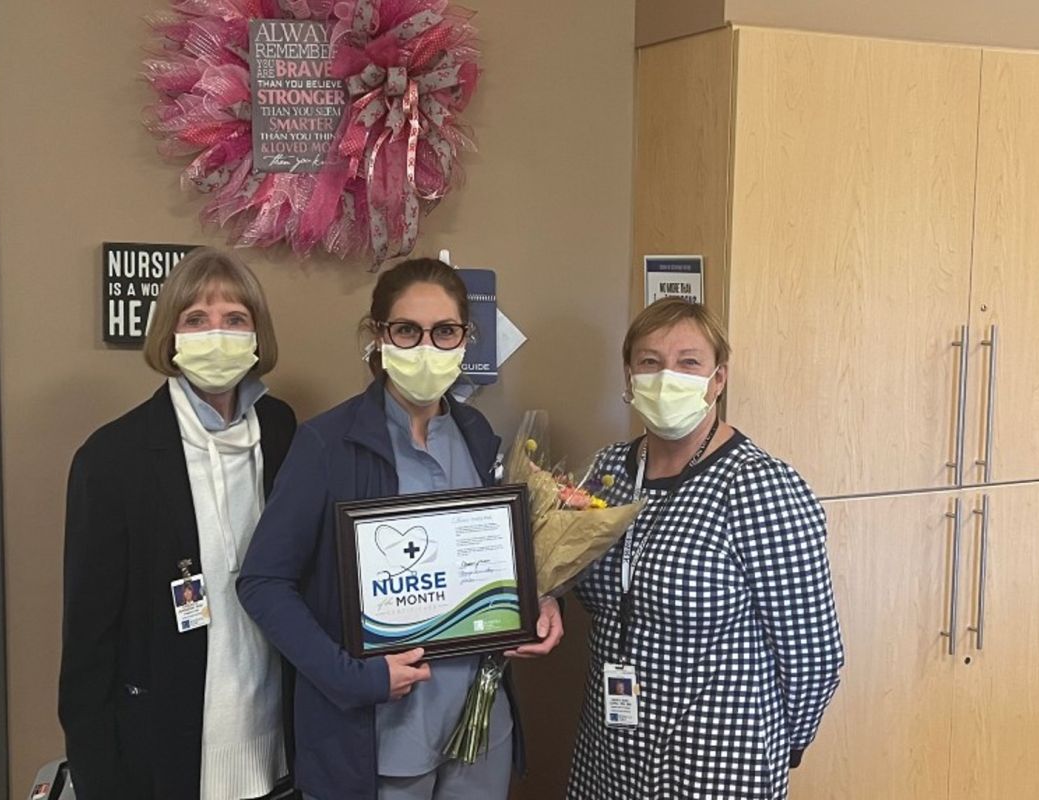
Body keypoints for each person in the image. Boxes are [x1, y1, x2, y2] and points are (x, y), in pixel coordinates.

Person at [236, 257, 564, 800]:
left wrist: (539, 599)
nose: (426, 348)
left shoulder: (476, 434)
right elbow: (264, 583)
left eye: (445, 332)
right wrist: (349, 677)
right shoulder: (326, 444)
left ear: (466, 339)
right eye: (407, 331)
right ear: (377, 336)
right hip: (380, 737)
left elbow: (497, 557)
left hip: (479, 729)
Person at [567, 299, 844, 800]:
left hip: (716, 758)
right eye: (650, 362)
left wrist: (781, 745)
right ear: (629, 377)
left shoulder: (761, 488)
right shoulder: (607, 473)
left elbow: (814, 655)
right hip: (611, 747)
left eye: (688, 362)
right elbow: (570, 575)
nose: (666, 375)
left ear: (718, 379)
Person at [59, 247, 298, 800]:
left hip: (278, 743)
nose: (217, 335)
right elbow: (88, 643)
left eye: (235, 319)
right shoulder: (113, 459)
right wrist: (98, 778)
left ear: (258, 336)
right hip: (168, 753)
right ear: (170, 336)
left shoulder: (284, 432)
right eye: (196, 319)